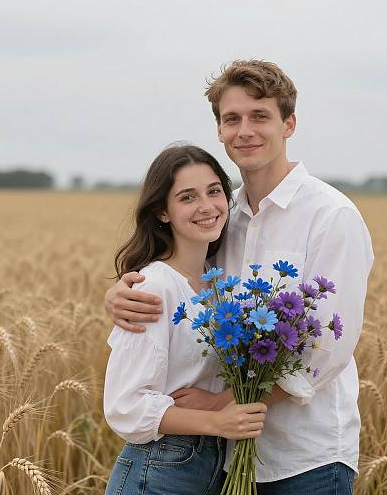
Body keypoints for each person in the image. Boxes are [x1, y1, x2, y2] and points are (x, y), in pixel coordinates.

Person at [105, 60, 374, 494]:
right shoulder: (220, 214)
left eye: (260, 116)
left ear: (289, 123)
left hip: (305, 459)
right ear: (219, 130)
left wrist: (222, 405)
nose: (245, 130)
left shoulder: (330, 216)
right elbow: (179, 283)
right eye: (232, 118)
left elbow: (326, 347)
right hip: (225, 464)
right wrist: (121, 293)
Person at [103, 144, 267, 495]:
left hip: (213, 466)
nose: (207, 207)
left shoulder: (218, 284)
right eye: (187, 197)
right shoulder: (154, 286)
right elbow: (125, 405)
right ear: (163, 212)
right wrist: (217, 420)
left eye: (214, 191)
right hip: (159, 468)